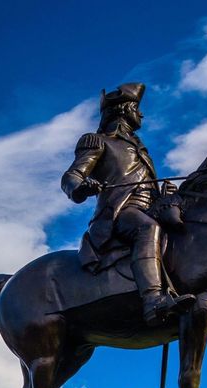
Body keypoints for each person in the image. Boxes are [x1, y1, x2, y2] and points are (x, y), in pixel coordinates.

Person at [61, 82, 194, 324]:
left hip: (149, 209)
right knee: (148, 228)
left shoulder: (141, 150)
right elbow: (71, 177)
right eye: (136, 107)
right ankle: (153, 300)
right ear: (122, 109)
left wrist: (164, 195)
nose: (141, 113)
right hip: (119, 214)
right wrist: (82, 187)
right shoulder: (98, 141)